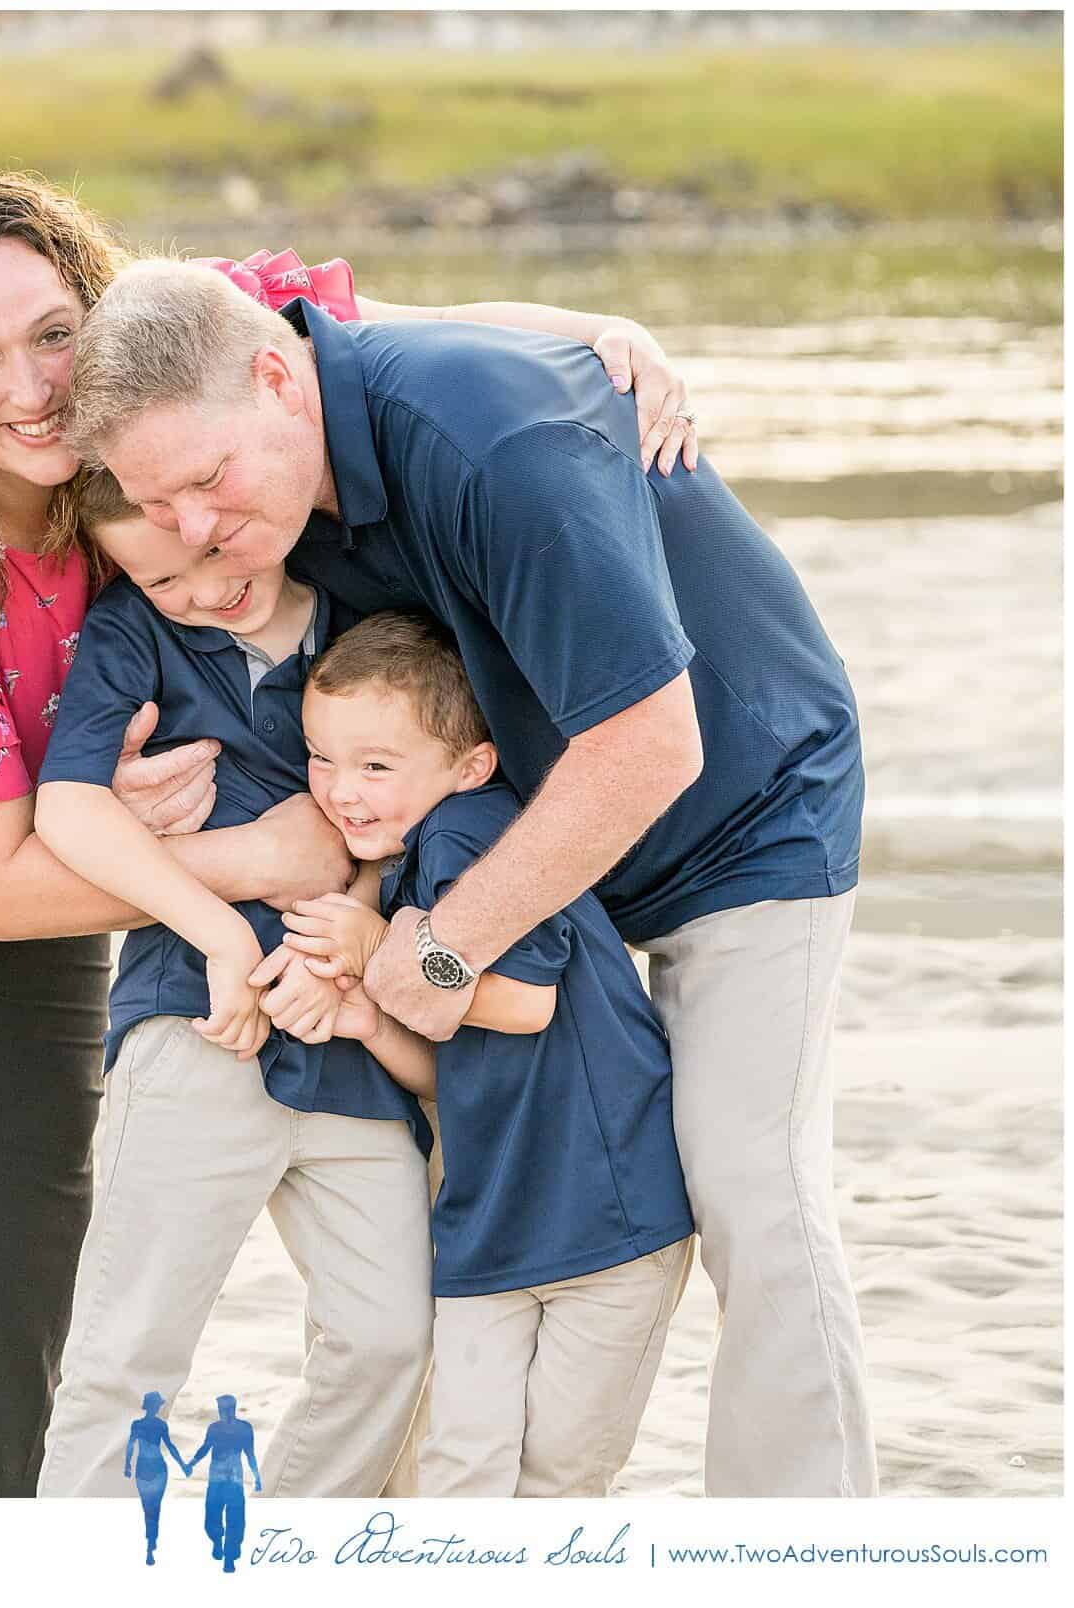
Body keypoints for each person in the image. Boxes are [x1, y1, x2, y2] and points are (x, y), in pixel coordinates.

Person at [0, 169, 704, 1499]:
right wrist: (247, 863)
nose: (35, 385)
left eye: (55, 334)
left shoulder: (159, 354)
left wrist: (584, 339)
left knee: (30, 1172)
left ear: (99, 313)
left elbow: (346, 337)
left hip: (52, 831)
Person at [68, 260, 872, 1497]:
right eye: (155, 501)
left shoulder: (490, 442)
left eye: (206, 480)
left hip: (735, 816)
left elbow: (652, 747)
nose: (191, 530)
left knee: (746, 1182)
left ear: (280, 381)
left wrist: (436, 951)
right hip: (540, 834)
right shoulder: (271, 485)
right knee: (466, 1181)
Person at [35, 480, 556, 1500]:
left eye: (211, 555)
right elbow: (68, 808)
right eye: (160, 577)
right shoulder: (134, 633)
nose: (200, 589)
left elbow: (396, 822)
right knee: (127, 1350)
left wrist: (347, 942)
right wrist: (220, 935)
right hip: (195, 1023)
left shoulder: (365, 624)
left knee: (387, 1338)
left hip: (346, 1049)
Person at [286, 612, 695, 1496]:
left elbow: (523, 1004)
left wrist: (375, 944)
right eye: (322, 758)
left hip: (602, 1214)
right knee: (496, 1470)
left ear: (470, 764)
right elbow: (453, 1062)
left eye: (376, 766)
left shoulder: (468, 829)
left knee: (529, 1475)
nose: (341, 790)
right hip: (493, 1220)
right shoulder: (421, 849)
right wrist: (369, 1022)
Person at [185, 1397, 260, 1572]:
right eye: (220, 1409)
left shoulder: (244, 1428)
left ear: (233, 1409)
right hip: (216, 1479)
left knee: (235, 1520)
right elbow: (205, 1448)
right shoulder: (215, 1428)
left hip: (234, 1481)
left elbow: (250, 1454)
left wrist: (257, 1477)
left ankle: (229, 1557)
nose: (222, 1412)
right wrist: (191, 1464)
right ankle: (218, 1542)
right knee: (212, 1517)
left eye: (225, 1409)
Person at [125, 1392, 190, 1565]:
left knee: (153, 1508)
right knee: (148, 1507)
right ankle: (148, 1545)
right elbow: (130, 1446)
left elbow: (170, 1446)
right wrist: (126, 1465)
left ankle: (150, 1547)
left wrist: (183, 1464)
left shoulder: (155, 1425)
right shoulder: (139, 1425)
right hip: (148, 1468)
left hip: (155, 1468)